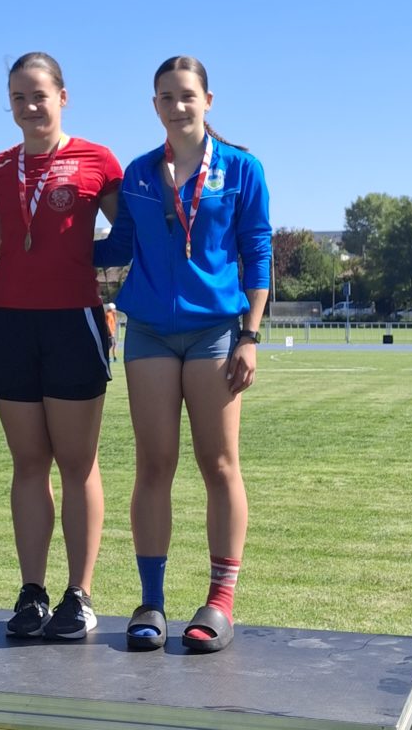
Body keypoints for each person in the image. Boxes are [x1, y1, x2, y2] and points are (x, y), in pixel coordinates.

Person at [94, 55, 271, 653]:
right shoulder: (140, 174)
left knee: (218, 464)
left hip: (215, 333)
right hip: (148, 330)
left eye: (187, 95)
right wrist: (45, 238)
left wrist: (249, 335)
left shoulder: (242, 169)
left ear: (207, 100)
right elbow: (118, 246)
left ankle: (219, 602)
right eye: (166, 97)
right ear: (155, 106)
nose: (177, 106)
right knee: (153, 465)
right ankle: (151, 602)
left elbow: (257, 252)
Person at [0, 52, 122, 640]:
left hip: (74, 323)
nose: (29, 106)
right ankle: (32, 592)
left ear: (63, 97)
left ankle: (79, 595)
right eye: (18, 97)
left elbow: (130, 236)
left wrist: (82, 259)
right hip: (11, 324)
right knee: (28, 464)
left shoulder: (98, 161)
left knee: (78, 464)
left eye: (39, 95)